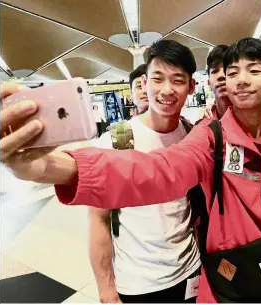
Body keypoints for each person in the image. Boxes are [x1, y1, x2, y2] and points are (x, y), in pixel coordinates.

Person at [0, 38, 261, 303]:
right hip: (225, 288)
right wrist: (51, 168)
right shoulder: (209, 138)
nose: (242, 81)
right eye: (232, 72)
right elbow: (161, 172)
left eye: (254, 70)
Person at [89, 40, 201, 303]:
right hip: (139, 284)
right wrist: (107, 291)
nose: (166, 90)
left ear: (191, 87)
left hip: (191, 272)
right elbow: (98, 220)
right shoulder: (116, 141)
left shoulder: (192, 135)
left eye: (177, 80)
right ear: (144, 83)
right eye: (157, 79)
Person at [200, 45, 232, 122]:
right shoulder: (203, 126)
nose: (221, 76)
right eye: (214, 71)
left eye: (227, 69)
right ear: (208, 83)